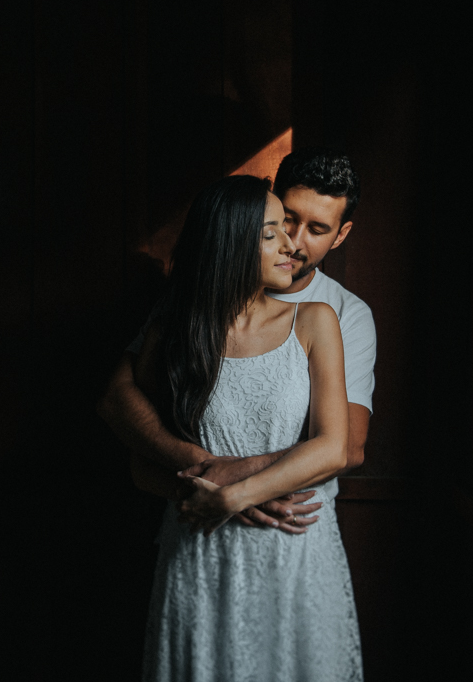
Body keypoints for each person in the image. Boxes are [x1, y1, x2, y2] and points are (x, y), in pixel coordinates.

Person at [127, 173, 361, 681]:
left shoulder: (315, 321)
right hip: (200, 549)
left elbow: (333, 448)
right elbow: (142, 464)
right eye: (272, 232)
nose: (291, 245)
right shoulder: (172, 332)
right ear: (229, 242)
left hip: (295, 550)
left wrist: (233, 498)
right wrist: (201, 496)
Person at [100, 152, 374, 532]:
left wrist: (234, 484)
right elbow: (119, 400)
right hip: (197, 522)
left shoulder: (341, 314)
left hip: (292, 523)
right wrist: (208, 480)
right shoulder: (184, 310)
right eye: (285, 220)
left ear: (340, 234)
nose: (294, 242)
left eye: (316, 229)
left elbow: (346, 447)